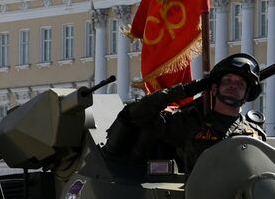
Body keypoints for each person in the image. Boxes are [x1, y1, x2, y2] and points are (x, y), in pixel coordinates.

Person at [105, 53, 266, 173]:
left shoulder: (254, 134)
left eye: (240, 83)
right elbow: (136, 114)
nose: (233, 86)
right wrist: (189, 89)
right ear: (214, 88)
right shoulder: (189, 123)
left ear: (246, 94)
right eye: (227, 81)